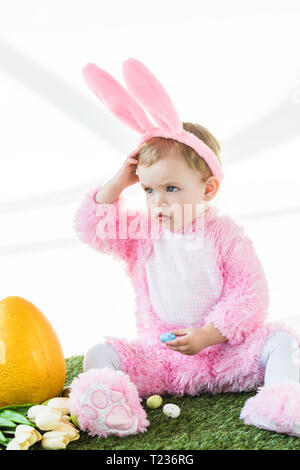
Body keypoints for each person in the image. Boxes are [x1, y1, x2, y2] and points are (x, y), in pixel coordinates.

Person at [68, 60, 300, 439]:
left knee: (282, 341)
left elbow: (249, 295)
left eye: (171, 189)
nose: (158, 202)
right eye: (149, 190)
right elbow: (93, 231)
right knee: (101, 353)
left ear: (207, 190)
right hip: (165, 357)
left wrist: (210, 334)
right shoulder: (141, 233)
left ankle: (279, 404)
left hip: (227, 357)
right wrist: (117, 183)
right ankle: (112, 408)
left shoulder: (226, 236)